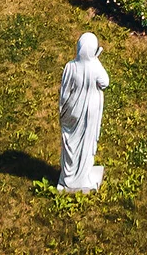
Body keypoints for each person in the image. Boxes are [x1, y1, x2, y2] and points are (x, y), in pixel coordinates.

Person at [57, 32, 109, 192]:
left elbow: (64, 92)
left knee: (72, 143)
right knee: (85, 143)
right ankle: (82, 178)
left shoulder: (70, 66)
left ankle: (69, 176)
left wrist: (64, 112)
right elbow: (105, 83)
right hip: (88, 112)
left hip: (72, 111)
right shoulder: (94, 67)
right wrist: (96, 61)